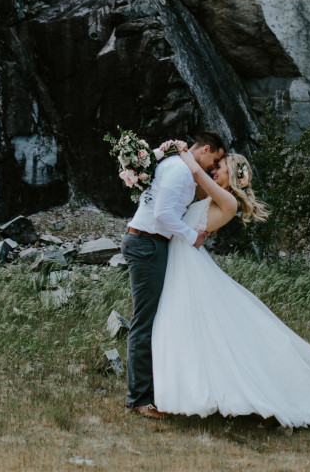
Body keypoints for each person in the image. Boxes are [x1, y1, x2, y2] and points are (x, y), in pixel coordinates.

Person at [151, 152, 310, 430]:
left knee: (198, 328)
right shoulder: (210, 198)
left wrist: (182, 151)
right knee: (190, 330)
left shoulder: (228, 201)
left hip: (189, 264)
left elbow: (197, 175)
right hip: (184, 261)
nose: (213, 170)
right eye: (214, 166)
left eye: (220, 167)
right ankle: (189, 390)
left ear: (232, 175)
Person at [121, 131, 226, 420]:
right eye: (213, 161)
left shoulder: (174, 164)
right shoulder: (180, 171)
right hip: (147, 243)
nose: (211, 168)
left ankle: (151, 392)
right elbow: (163, 215)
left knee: (152, 320)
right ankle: (140, 399)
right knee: (144, 322)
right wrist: (193, 236)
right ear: (205, 149)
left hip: (148, 242)